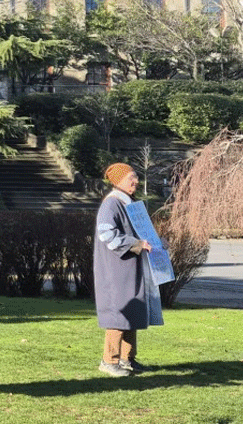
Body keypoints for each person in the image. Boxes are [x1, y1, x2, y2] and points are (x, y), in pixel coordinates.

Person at [94, 162, 162, 378]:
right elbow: (107, 234)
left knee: (132, 311)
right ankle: (109, 361)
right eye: (130, 178)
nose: (136, 181)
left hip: (132, 267)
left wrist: (156, 243)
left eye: (135, 177)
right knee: (119, 312)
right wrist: (136, 244)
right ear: (118, 181)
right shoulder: (111, 204)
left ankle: (127, 359)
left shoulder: (129, 203)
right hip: (116, 270)